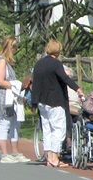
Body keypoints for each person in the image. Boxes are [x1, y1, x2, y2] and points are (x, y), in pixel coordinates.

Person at [32, 39, 82, 167]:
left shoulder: (39, 64)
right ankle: (54, 157)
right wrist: (77, 88)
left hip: (41, 102)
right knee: (58, 129)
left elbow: (35, 83)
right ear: (58, 51)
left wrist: (34, 101)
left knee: (47, 129)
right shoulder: (56, 64)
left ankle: (49, 157)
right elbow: (64, 78)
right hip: (55, 100)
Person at [0, 36, 29, 163]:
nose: (15, 50)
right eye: (14, 48)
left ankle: (15, 152)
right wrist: (15, 85)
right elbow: (0, 81)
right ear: (9, 47)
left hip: (11, 97)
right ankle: (4, 154)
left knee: (15, 124)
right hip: (3, 97)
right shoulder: (1, 61)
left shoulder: (5, 61)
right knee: (5, 124)